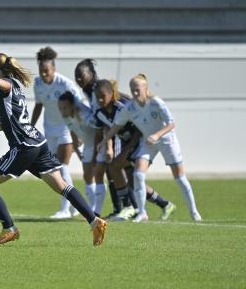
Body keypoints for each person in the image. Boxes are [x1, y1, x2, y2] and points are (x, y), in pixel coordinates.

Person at [0, 53, 107, 246]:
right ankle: (95, 221)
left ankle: (9, 229)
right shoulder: (15, 85)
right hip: (38, 144)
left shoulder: (7, 85)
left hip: (24, 147)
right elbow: (6, 123)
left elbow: (4, 85)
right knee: (61, 186)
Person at [101, 74, 202, 222]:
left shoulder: (156, 103)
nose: (135, 93)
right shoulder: (129, 108)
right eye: (132, 90)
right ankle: (142, 212)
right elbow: (116, 126)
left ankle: (194, 212)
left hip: (167, 141)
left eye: (137, 90)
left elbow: (171, 124)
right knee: (138, 175)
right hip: (149, 143)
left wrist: (157, 135)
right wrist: (104, 140)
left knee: (179, 177)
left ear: (146, 89)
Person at [94, 79, 176, 222]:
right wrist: (107, 145)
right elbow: (107, 126)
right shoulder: (100, 113)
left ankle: (130, 207)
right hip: (126, 144)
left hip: (137, 143)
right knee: (134, 181)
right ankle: (165, 204)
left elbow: (138, 129)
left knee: (115, 167)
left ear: (111, 94)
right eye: (97, 97)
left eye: (103, 96)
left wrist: (127, 150)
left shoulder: (122, 107)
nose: (100, 100)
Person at [32, 47, 84, 219]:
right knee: (55, 168)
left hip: (66, 129)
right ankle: (75, 206)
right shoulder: (38, 83)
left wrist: (79, 131)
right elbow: (39, 105)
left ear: (53, 69)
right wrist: (30, 126)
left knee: (62, 167)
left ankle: (64, 210)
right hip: (49, 129)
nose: (44, 74)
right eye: (41, 71)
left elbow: (79, 106)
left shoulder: (65, 84)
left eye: (47, 71)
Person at [74, 59, 122, 217]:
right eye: (76, 76)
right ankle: (118, 208)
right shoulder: (90, 90)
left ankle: (125, 207)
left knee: (115, 170)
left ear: (91, 74)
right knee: (110, 172)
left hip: (114, 134)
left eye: (82, 75)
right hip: (106, 134)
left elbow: (103, 121)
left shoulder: (97, 90)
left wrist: (106, 144)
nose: (79, 79)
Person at [57, 91, 98, 212]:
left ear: (72, 106)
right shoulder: (67, 117)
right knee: (87, 176)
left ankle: (97, 209)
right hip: (88, 147)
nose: (62, 111)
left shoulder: (84, 114)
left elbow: (98, 131)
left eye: (65, 107)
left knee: (98, 176)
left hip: (99, 145)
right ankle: (92, 209)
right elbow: (73, 132)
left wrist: (98, 150)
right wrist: (77, 149)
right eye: (60, 108)